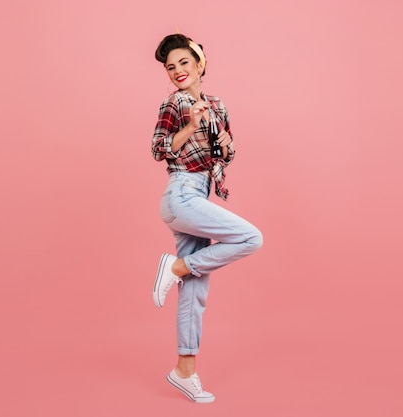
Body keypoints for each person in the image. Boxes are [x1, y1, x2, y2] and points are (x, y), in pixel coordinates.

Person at [151, 33, 263, 403]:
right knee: (250, 238)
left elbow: (222, 153)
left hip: (199, 193)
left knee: (196, 291)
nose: (178, 71)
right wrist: (188, 126)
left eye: (184, 62)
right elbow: (158, 148)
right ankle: (178, 266)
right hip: (181, 193)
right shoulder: (174, 103)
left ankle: (185, 370)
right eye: (171, 67)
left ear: (199, 64)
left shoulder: (216, 104)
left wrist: (228, 148)